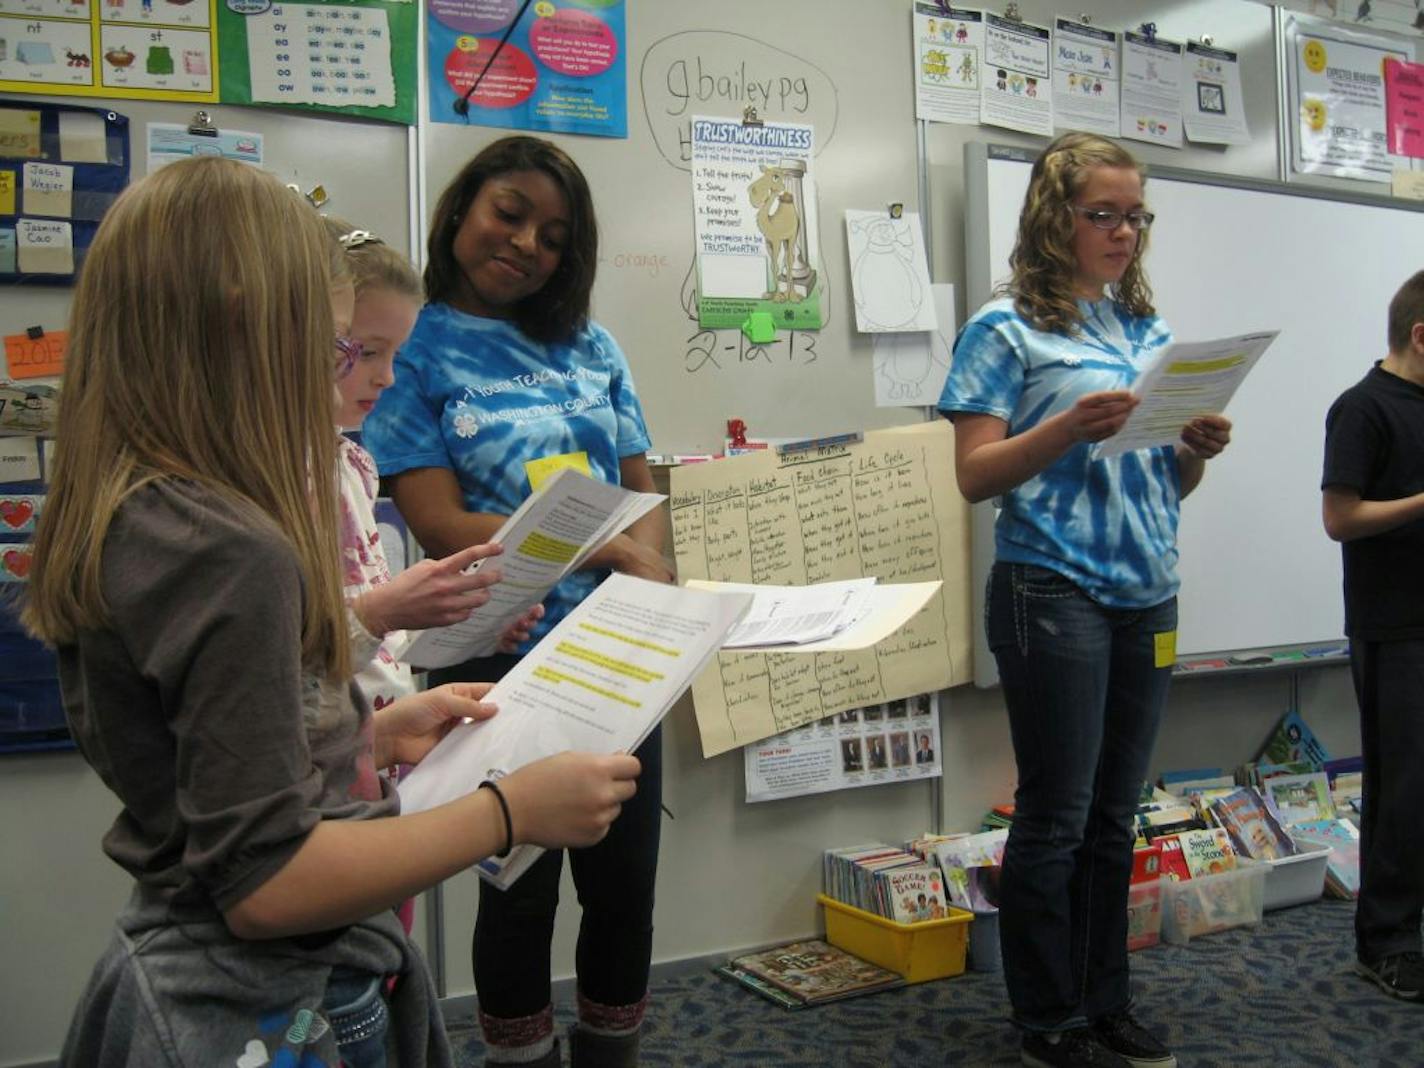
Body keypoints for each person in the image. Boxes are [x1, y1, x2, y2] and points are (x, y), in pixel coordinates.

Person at [22, 156, 642, 1068]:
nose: (354, 369)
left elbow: (204, 762)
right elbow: (267, 883)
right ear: (245, 326)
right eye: (333, 343)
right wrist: (509, 810)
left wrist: (372, 740)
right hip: (269, 1001)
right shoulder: (232, 549)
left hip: (182, 971)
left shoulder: (139, 509)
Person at [362, 135, 671, 1068]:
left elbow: (639, 479)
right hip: (498, 646)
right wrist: (604, 542)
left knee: (625, 883)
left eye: (553, 233)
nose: (527, 242)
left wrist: (649, 580)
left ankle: (611, 1052)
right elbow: (438, 517)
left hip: (618, 646)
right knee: (517, 882)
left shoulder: (592, 343)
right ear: (462, 209)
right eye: (509, 212)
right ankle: (521, 1058)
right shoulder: (413, 345)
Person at [938, 132, 1231, 1068]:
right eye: (1102, 213)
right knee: (1057, 817)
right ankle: (1048, 1018)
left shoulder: (1144, 331)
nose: (1122, 232)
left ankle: (1108, 1002)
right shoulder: (1004, 329)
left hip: (1150, 593)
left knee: (1116, 815)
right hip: (1051, 588)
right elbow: (975, 477)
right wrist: (1065, 426)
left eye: (1135, 215)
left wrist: (1191, 452)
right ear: (1053, 217)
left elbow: (1162, 487)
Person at [1322, 269, 1424, 1002]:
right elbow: (1341, 518)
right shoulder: (1363, 408)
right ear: (1421, 337)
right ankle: (1387, 942)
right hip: (1399, 626)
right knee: (1405, 791)